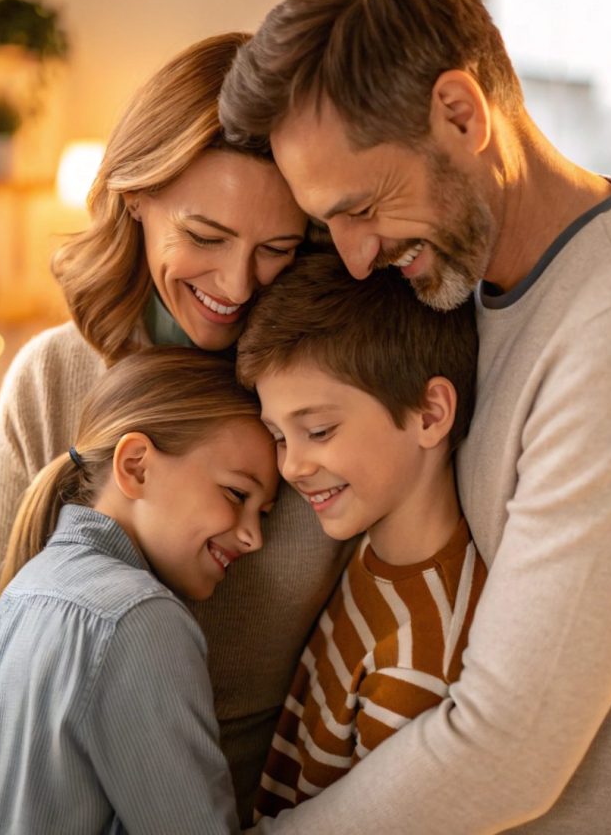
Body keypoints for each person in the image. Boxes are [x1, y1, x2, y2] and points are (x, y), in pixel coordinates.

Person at [219, 0, 611, 833]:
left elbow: (506, 747)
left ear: (459, 111)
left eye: (363, 208)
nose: (357, 255)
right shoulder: (462, 279)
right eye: (333, 222)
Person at [0, 34, 350, 835]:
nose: (236, 285)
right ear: (134, 196)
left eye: (275, 249)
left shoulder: (330, 398)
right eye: (205, 236)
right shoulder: (50, 378)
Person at [0, 346, 278, 835]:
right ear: (136, 466)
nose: (254, 537)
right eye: (236, 494)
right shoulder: (139, 620)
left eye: (265, 513)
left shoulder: (23, 591)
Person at [233, 253, 487, 819]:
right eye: (279, 436)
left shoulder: (419, 666)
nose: (292, 466)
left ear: (428, 413)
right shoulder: (372, 544)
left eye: (318, 430)